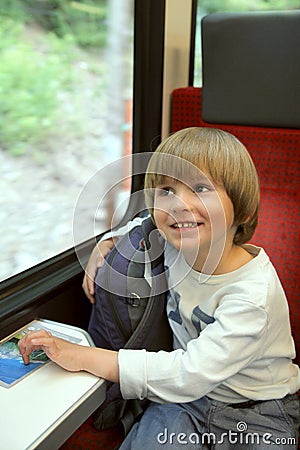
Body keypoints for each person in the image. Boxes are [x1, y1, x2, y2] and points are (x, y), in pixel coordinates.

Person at [19, 128, 299, 449]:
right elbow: (144, 224)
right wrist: (108, 241)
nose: (178, 205)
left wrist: (84, 356)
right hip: (186, 402)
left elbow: (188, 373)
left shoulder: (252, 295)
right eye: (166, 190)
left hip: (255, 410)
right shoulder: (175, 240)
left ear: (244, 211)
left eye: (201, 188)